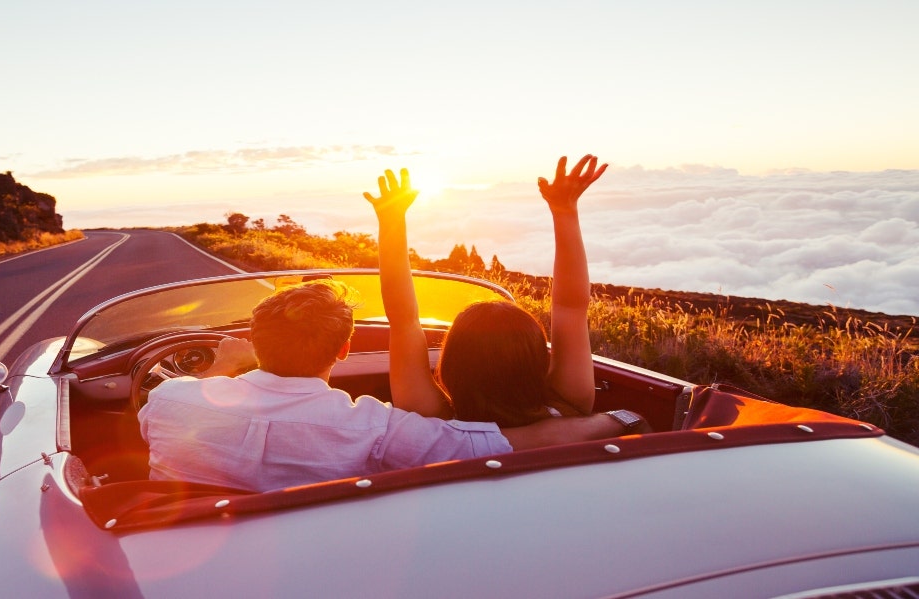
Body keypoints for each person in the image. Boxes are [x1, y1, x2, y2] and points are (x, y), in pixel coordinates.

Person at [138, 276, 642, 494]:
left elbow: (191, 400)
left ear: (253, 341)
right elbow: (502, 443)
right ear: (343, 351)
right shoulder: (375, 429)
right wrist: (613, 419)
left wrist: (221, 369)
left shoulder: (165, 401)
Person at [363, 155, 647, 433]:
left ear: (451, 368)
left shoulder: (436, 423)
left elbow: (403, 319)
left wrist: (391, 220)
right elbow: (570, 308)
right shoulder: (570, 403)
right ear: (537, 363)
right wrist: (565, 211)